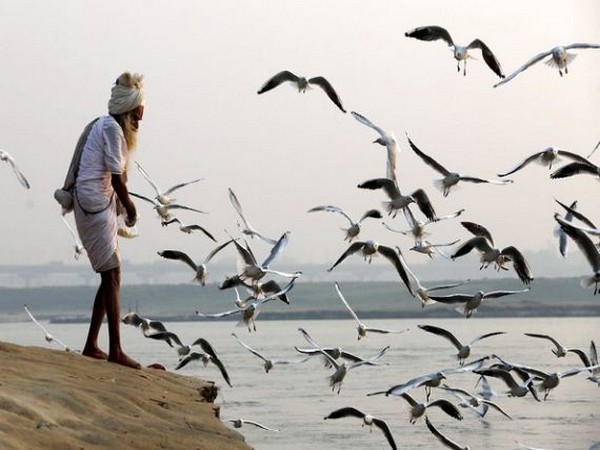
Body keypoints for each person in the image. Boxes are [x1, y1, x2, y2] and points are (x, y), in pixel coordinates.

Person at [73, 72, 145, 369]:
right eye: (138, 113)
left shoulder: (105, 125)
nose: (141, 119)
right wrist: (130, 208)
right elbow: (117, 180)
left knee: (109, 274)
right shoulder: (113, 130)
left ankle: (92, 345)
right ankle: (115, 350)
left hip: (93, 203)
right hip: (94, 205)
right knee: (113, 274)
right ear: (129, 109)